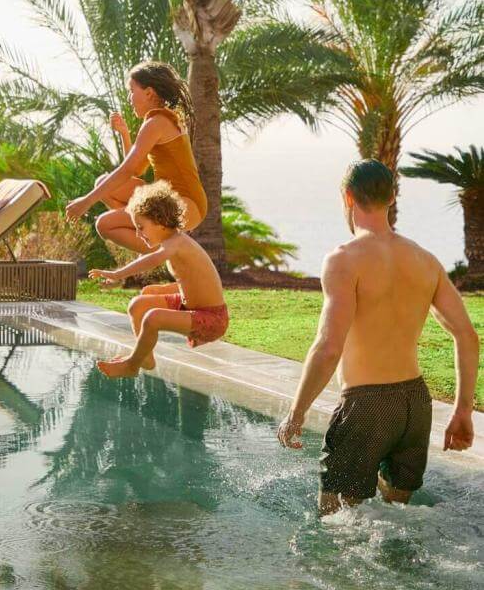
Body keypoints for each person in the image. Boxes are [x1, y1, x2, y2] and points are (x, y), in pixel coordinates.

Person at [277, 159, 480, 515]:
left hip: (365, 405)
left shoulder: (344, 260)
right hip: (415, 405)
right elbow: (467, 336)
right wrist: (463, 410)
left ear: (348, 196)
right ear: (392, 197)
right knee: (397, 517)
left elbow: (328, 347)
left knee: (335, 520)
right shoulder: (425, 260)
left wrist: (296, 413)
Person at [88, 180, 228, 378]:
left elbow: (152, 260)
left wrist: (117, 274)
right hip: (188, 307)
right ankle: (146, 357)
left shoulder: (177, 243)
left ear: (160, 221)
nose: (138, 234)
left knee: (153, 318)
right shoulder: (172, 242)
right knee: (138, 305)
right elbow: (191, 281)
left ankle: (132, 365)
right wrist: (163, 290)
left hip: (212, 319)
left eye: (141, 227)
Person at [65, 61, 207, 253]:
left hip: (185, 204)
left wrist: (86, 202)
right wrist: (124, 134)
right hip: (174, 200)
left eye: (132, 91)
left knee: (104, 224)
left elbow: (127, 170)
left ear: (149, 93)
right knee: (103, 183)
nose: (129, 98)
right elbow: (137, 169)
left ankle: (164, 249)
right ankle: (154, 235)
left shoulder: (157, 122)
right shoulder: (161, 119)